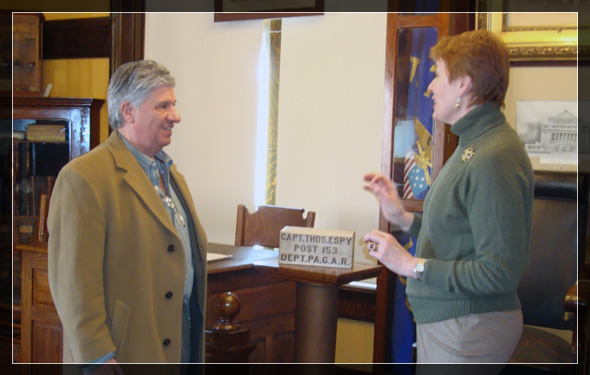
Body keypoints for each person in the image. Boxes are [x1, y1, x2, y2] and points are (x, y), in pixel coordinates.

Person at [363, 30, 534, 364]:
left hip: (469, 329)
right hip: (455, 324)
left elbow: (498, 272)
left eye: (437, 75)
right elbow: (459, 231)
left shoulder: (493, 155)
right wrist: (403, 218)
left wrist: (410, 265)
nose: (428, 88)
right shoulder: (475, 144)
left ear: (464, 85)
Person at [47, 60, 208, 367]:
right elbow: (74, 285)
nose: (175, 116)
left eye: (173, 104)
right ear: (128, 111)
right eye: (163, 106)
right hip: (123, 355)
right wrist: (98, 359)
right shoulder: (83, 178)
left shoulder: (173, 177)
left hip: (180, 342)